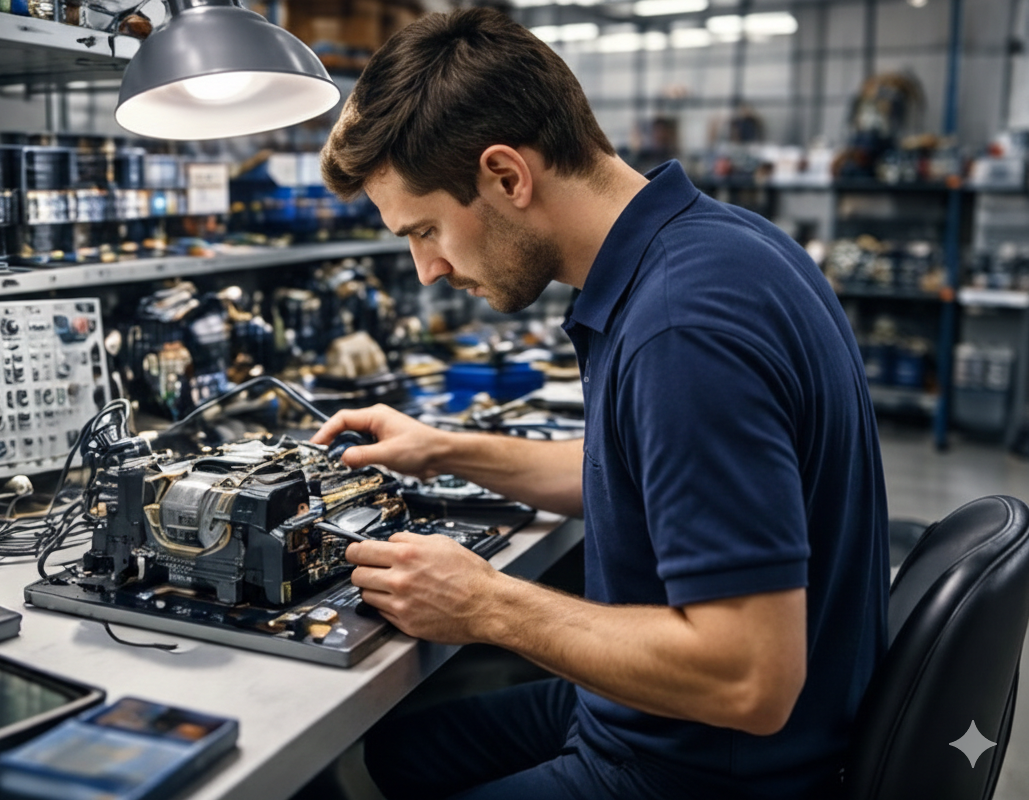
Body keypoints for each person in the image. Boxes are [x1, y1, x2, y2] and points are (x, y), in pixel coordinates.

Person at [312, 7, 889, 800]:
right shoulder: (715, 244)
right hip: (678, 726)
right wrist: (442, 448)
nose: (428, 270)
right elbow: (637, 478)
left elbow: (751, 679)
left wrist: (486, 605)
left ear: (507, 176)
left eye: (427, 231)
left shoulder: (680, 329)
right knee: (401, 751)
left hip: (709, 764)